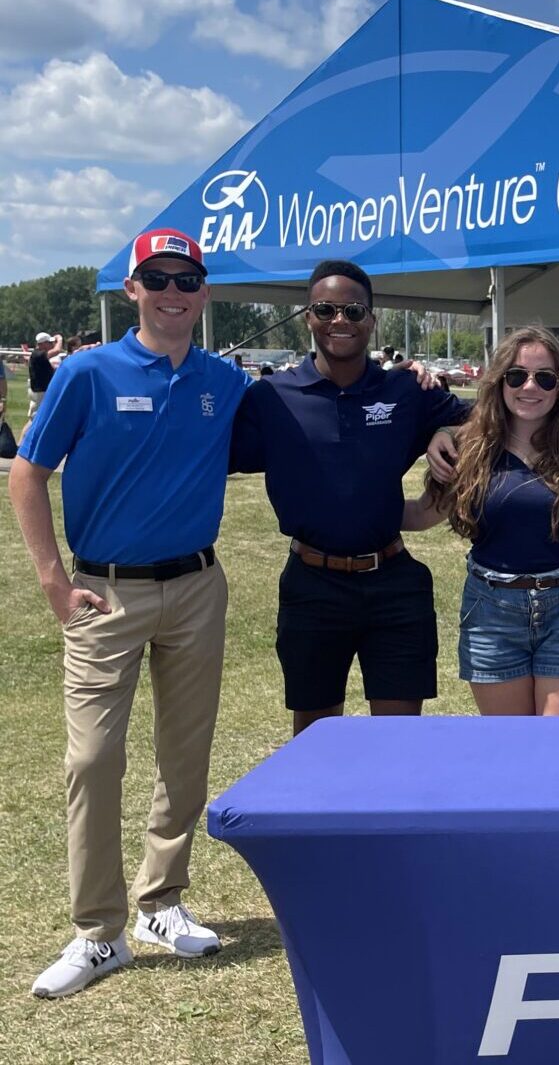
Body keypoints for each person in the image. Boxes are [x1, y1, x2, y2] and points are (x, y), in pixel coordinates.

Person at [11, 229, 251, 998]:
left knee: (185, 756)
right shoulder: (87, 371)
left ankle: (161, 900)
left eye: (187, 280)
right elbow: (27, 472)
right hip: (104, 592)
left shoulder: (224, 379)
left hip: (196, 586)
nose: (173, 292)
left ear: (204, 293)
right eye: (158, 278)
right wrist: (52, 580)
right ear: (131, 289)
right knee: (92, 760)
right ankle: (98, 931)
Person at [229, 260, 468, 736]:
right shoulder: (271, 398)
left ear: (372, 320)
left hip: (394, 584)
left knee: (399, 744)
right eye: (326, 309)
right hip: (312, 586)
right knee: (316, 745)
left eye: (354, 310)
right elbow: (202, 453)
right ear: (309, 317)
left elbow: (490, 415)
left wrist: (445, 427)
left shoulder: (404, 389)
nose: (341, 320)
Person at [406, 327, 559, 715]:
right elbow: (422, 514)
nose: (529, 387)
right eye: (516, 376)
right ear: (499, 381)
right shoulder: (467, 449)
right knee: (509, 749)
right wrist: (353, 514)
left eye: (545, 378)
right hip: (491, 612)